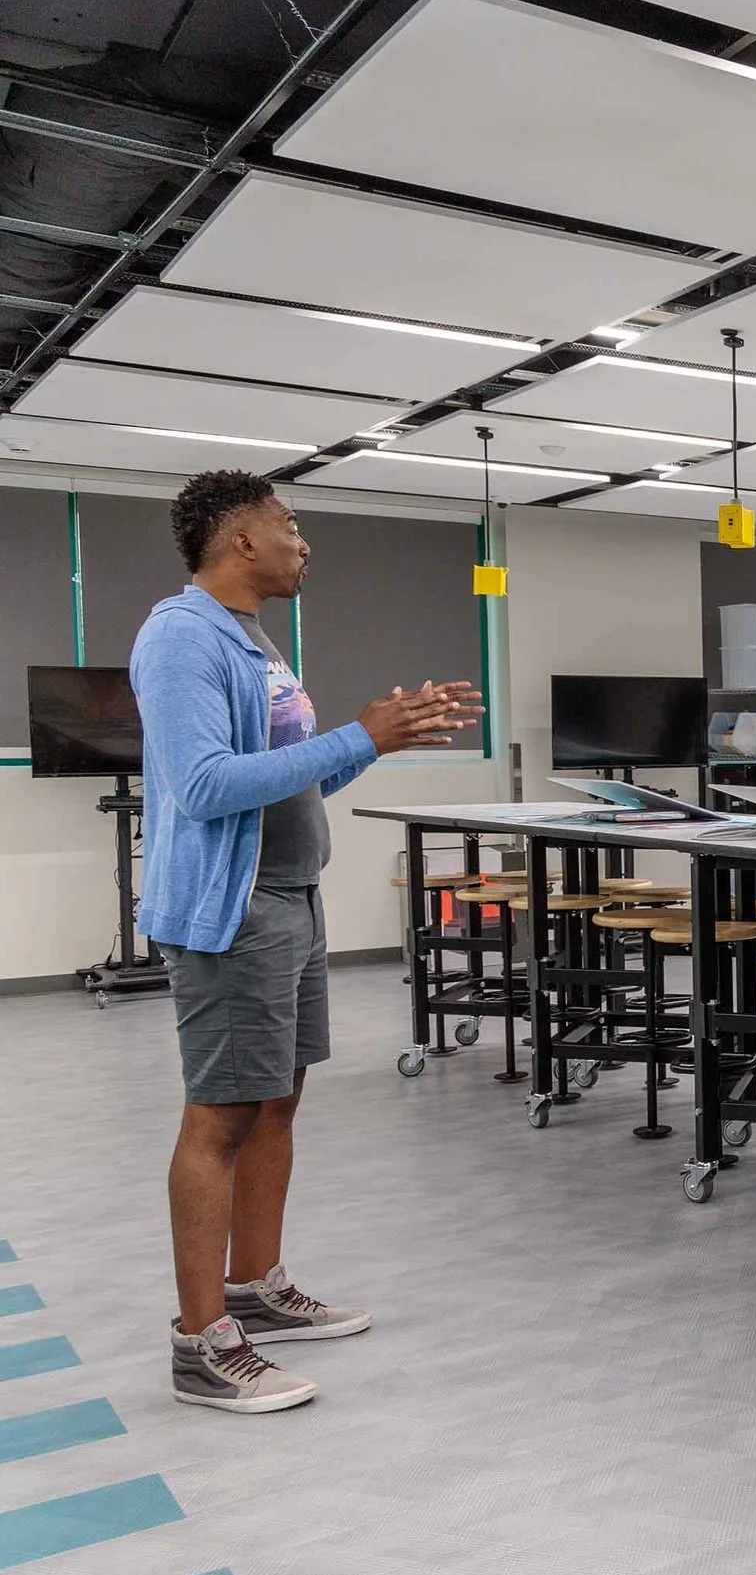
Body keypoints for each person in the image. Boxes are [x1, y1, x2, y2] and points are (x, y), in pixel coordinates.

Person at [136, 469, 479, 1414]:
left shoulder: (253, 642)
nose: (303, 543)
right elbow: (204, 786)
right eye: (290, 526)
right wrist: (356, 735)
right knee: (222, 1117)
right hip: (233, 910)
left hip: (290, 898)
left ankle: (256, 1288)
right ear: (241, 540)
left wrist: (373, 742)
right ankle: (201, 1343)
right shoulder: (180, 636)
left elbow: (278, 782)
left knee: (277, 1104)